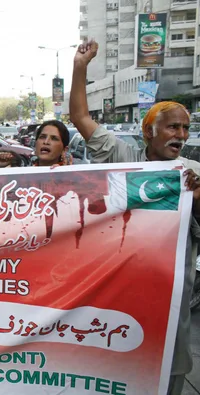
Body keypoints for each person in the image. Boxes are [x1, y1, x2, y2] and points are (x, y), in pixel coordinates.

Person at [70, 39, 199, 395]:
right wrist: (80, 66)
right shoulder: (123, 157)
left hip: (171, 304)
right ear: (149, 132)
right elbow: (81, 118)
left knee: (168, 372)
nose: (181, 136)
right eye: (173, 127)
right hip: (122, 297)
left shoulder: (192, 173)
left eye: (185, 129)